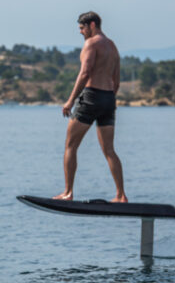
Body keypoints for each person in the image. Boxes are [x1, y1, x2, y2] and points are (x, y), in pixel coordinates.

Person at [54, 11, 127, 203]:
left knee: (70, 145)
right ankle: (121, 195)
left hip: (91, 97)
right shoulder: (112, 47)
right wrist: (107, 99)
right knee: (109, 150)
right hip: (109, 99)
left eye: (81, 28)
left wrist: (70, 100)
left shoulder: (91, 44)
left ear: (92, 25)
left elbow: (85, 72)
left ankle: (68, 193)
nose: (80, 32)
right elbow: (116, 81)